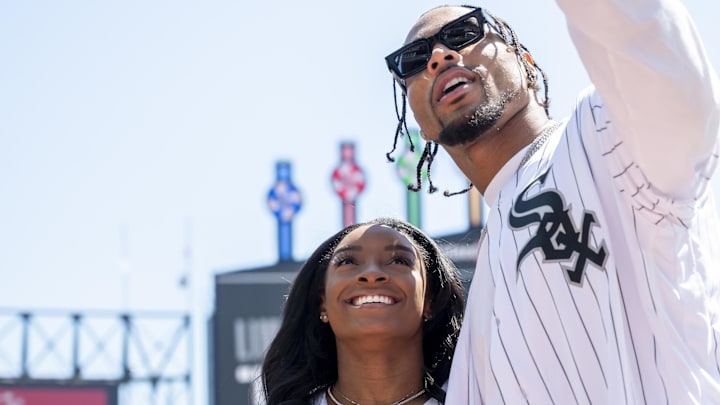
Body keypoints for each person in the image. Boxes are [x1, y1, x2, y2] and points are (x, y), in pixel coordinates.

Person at [384, 1, 720, 404]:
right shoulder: (480, 306)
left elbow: (654, 56)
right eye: (414, 60)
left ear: (525, 63)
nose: (439, 56)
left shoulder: (603, 134)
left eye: (463, 33)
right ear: (421, 125)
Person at [260, 217, 465, 405]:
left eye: (399, 261)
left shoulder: (473, 398)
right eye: (347, 261)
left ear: (430, 300)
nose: (372, 274)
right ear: (322, 303)